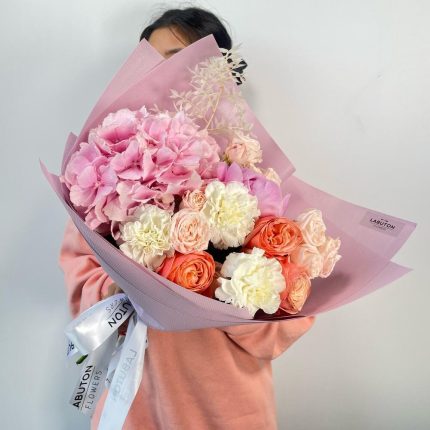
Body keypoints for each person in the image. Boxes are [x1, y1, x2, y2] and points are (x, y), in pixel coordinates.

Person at [59, 6, 315, 430]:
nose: (161, 74)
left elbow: (291, 315)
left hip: (227, 404)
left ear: (219, 73)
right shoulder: (108, 165)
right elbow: (80, 277)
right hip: (136, 396)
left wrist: (228, 294)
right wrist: (130, 290)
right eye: (150, 61)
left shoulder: (254, 172)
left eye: (181, 61)